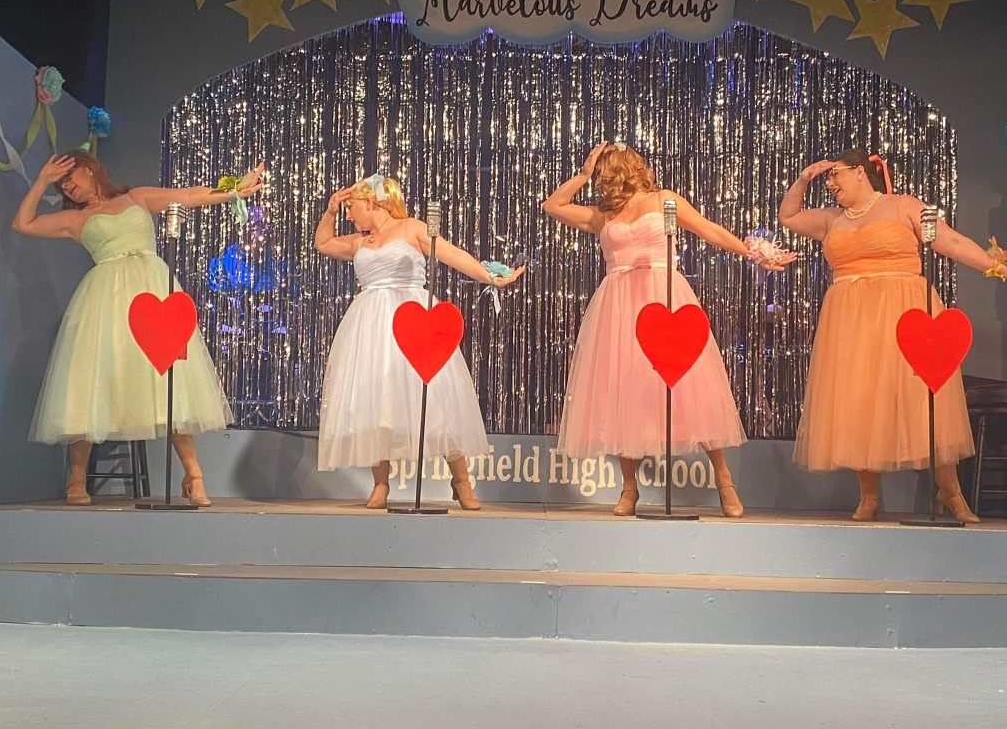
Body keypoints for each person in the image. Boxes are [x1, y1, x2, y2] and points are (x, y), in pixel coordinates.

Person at [543, 142, 795, 517]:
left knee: (692, 388)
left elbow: (708, 230)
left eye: (604, 169)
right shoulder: (603, 214)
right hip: (619, 307)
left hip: (663, 297)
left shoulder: (664, 199)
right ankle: (629, 489)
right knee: (624, 392)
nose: (603, 176)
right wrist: (581, 174)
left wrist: (754, 254)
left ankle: (724, 480)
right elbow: (553, 206)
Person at [13, 150, 262, 506]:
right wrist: (42, 181)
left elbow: (188, 196)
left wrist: (234, 190)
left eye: (70, 177)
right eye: (61, 184)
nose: (67, 187)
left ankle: (194, 476)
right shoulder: (75, 218)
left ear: (89, 169)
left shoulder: (137, 198)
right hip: (105, 299)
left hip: (152, 292)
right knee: (89, 383)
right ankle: (77, 479)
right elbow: (23, 223)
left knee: (170, 380)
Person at [779, 148, 1000, 523]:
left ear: (860, 172)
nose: (830, 184)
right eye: (827, 179)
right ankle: (869, 497)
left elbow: (952, 242)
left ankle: (951, 491)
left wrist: (997, 267)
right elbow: (789, 216)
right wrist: (803, 179)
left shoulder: (903, 206)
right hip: (851, 319)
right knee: (859, 400)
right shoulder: (832, 219)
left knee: (923, 398)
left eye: (835, 175)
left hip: (904, 313)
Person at [315, 174, 525, 510]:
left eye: (351, 207)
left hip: (414, 318)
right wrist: (330, 211)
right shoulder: (359, 242)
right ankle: (380, 484)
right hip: (372, 325)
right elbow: (323, 243)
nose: (348, 214)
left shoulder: (412, 228)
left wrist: (490, 277)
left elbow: (451, 254)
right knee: (378, 402)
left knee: (436, 400)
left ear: (371, 201)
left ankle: (461, 481)